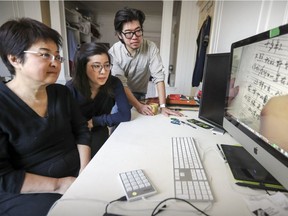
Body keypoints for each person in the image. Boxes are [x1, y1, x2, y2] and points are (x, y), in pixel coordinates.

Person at [0, 18, 91, 216]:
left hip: (77, 175)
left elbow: (82, 131)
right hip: (30, 191)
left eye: (57, 56)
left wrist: (85, 171)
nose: (55, 62)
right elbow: (4, 177)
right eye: (44, 55)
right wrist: (59, 184)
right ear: (14, 59)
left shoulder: (61, 93)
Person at [109, 7, 182, 117]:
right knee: (118, 118)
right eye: (128, 33)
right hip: (120, 93)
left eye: (138, 31)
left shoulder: (150, 47)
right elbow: (121, 84)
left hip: (140, 93)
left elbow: (159, 77)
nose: (135, 37)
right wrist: (138, 106)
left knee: (142, 121)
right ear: (120, 35)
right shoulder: (114, 52)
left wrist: (163, 106)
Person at [66, 43, 131, 157]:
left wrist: (95, 121)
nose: (103, 71)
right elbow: (66, 124)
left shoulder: (114, 83)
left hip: (99, 130)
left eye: (107, 65)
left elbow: (125, 115)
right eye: (96, 66)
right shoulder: (71, 88)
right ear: (83, 67)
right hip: (76, 136)